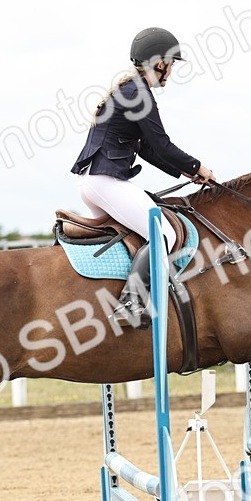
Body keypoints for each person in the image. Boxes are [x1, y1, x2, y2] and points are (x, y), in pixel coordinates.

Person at [71, 27, 216, 328]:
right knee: (165, 234)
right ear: (159, 62)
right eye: (171, 64)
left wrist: (186, 172)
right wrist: (199, 166)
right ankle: (131, 303)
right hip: (104, 180)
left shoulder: (131, 90)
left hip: (95, 181)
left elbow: (148, 149)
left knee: (136, 239)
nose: (172, 72)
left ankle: (117, 295)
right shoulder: (138, 93)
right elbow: (162, 144)